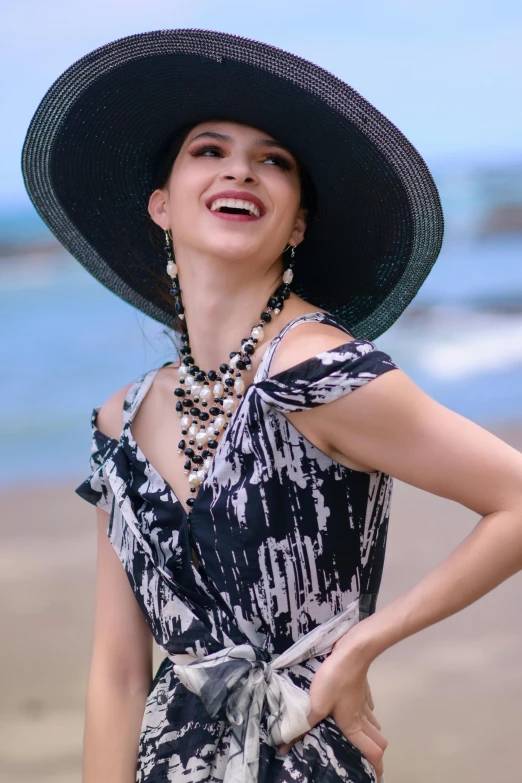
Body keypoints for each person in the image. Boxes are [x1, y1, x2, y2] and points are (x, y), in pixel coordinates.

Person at [22, 29, 522, 783]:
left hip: (303, 758)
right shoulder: (118, 422)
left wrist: (361, 646)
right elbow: (119, 675)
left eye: (274, 161)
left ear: (296, 222)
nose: (241, 170)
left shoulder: (315, 369)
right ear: (161, 204)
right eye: (210, 150)